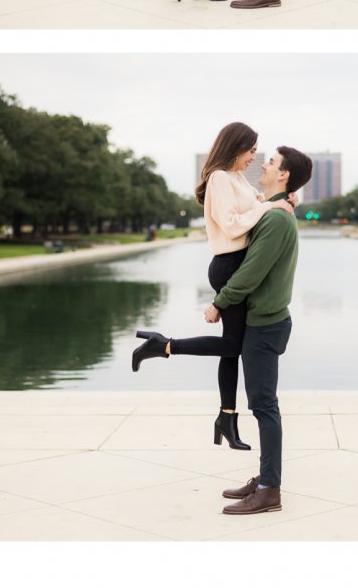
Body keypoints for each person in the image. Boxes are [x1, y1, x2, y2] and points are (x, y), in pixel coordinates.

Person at [131, 122, 296, 450]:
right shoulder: (220, 178)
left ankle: (227, 416)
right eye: (251, 150)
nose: (253, 157)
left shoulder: (236, 179)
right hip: (228, 266)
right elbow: (233, 226)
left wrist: (278, 202)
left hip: (237, 264)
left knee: (231, 347)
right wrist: (269, 206)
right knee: (233, 347)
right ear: (236, 147)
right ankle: (163, 346)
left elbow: (257, 211)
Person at [210, 144, 312, 515]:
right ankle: (265, 478)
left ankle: (270, 490)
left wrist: (219, 302)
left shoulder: (276, 219)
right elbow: (250, 203)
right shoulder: (275, 211)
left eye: (270, 162)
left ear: (283, 175)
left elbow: (251, 271)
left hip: (265, 324)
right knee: (262, 405)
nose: (264, 164)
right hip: (266, 322)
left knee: (264, 407)